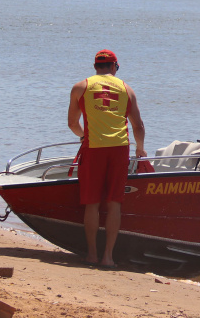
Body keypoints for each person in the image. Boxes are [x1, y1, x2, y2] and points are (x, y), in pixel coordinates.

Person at [68, 49, 146, 268]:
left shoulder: (80, 87)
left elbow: (72, 124)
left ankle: (92, 254)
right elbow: (138, 126)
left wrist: (84, 136)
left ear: (95, 67)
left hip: (93, 148)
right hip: (119, 149)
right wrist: (141, 149)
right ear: (114, 67)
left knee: (91, 203)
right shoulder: (126, 89)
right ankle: (108, 257)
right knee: (114, 203)